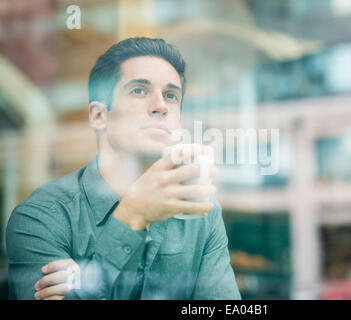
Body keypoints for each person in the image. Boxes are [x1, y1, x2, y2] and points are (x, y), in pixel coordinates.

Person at [6, 37, 241, 300]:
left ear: (179, 121)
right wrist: (131, 216)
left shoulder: (201, 213)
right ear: (99, 115)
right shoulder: (40, 218)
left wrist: (85, 283)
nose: (160, 106)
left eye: (171, 96)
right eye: (139, 90)